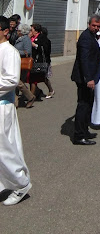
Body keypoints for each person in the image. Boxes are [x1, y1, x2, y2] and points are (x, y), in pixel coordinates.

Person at [0, 16, 32, 205]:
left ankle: (21, 184)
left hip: (2, 106)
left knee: (4, 148)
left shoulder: (10, 51)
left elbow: (12, 80)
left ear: (5, 31)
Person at [71, 14, 100, 145]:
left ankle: (85, 130)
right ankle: (79, 136)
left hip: (89, 77)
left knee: (89, 105)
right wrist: (89, 79)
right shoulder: (85, 38)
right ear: (89, 24)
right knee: (83, 106)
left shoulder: (92, 37)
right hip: (84, 79)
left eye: (98, 26)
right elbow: (84, 60)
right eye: (93, 25)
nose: (95, 28)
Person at [14, 24, 35, 108]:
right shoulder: (20, 38)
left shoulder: (26, 39)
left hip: (23, 64)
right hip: (17, 63)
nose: (17, 31)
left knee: (18, 82)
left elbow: (28, 52)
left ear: (22, 31)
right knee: (16, 83)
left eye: (18, 30)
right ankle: (15, 103)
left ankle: (30, 97)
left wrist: (15, 51)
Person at [41, 27, 55, 99]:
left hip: (45, 61)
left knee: (44, 77)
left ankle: (51, 90)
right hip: (43, 61)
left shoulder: (46, 41)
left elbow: (46, 52)